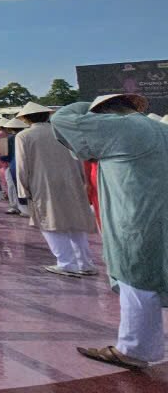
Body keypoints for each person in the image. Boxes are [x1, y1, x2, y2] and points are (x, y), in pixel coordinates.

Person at [52, 93, 168, 370]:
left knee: (136, 279)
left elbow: (61, 119)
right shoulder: (159, 127)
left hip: (137, 216)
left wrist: (88, 104)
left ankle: (135, 349)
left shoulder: (120, 127)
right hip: (161, 211)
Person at [12, 101, 98, 277]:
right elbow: (79, 157)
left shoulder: (24, 136)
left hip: (43, 183)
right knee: (75, 222)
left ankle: (66, 263)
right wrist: (83, 180)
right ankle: (85, 263)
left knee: (50, 223)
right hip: (71, 180)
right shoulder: (62, 131)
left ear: (26, 118)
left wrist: (23, 190)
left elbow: (22, 166)